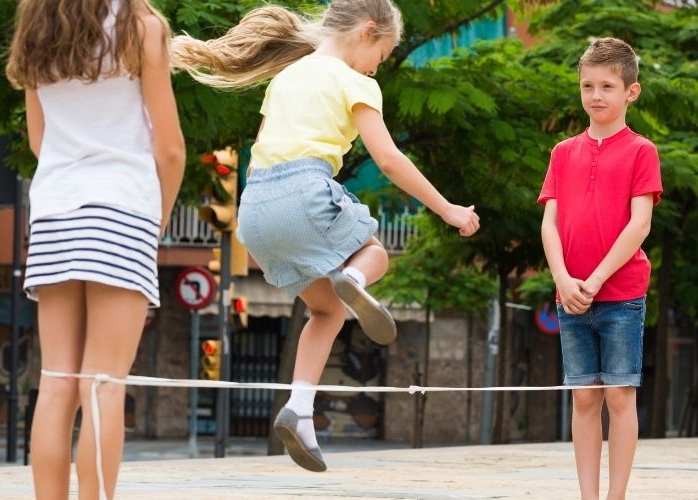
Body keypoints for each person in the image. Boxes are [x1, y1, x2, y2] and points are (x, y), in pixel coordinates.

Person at [172, 0, 479, 472]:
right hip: (304, 190)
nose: (381, 63)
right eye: (384, 51)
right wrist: (448, 209)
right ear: (367, 31)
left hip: (254, 213)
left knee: (326, 309)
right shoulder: (357, 81)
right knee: (374, 253)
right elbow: (390, 160)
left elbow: (260, 152)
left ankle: (299, 410)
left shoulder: (287, 77)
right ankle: (355, 278)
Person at [6, 0, 184, 497]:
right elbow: (170, 150)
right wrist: (159, 216)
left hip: (54, 211)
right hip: (123, 207)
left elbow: (41, 141)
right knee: (103, 383)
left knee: (57, 378)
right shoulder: (141, 27)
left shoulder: (38, 25)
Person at [538, 38, 663, 500]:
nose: (596, 95)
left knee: (619, 395)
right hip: (569, 294)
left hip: (622, 294)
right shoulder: (562, 152)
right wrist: (563, 280)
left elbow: (640, 223)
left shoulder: (641, 151)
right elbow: (549, 224)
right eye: (588, 85)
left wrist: (594, 280)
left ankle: (617, 496)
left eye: (607, 86)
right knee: (584, 398)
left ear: (631, 92)